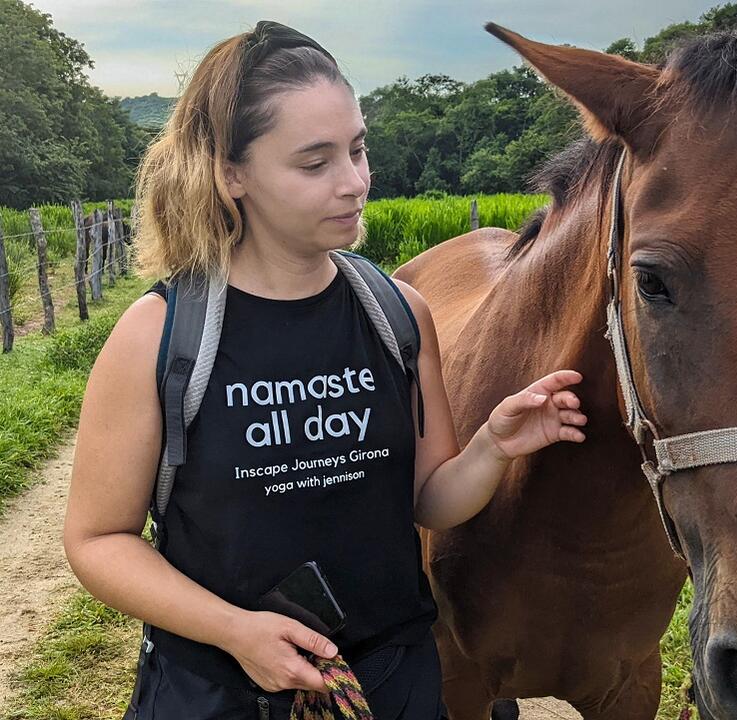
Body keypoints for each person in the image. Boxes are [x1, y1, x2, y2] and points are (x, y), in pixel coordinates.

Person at [62, 20, 588, 720]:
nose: (355, 183)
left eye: (358, 149)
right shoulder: (158, 336)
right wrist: (235, 631)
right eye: (315, 164)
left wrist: (492, 445)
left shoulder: (398, 314)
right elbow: (97, 540)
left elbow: (428, 501)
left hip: (392, 680)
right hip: (221, 692)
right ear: (231, 174)